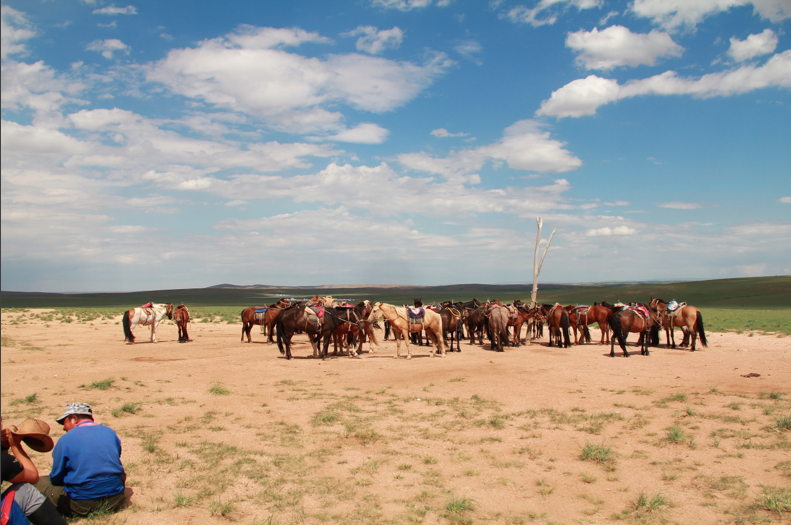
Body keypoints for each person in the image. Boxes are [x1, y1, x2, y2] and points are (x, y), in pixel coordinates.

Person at [34, 403, 126, 518]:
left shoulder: (66, 439)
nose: (63, 427)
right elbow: (116, 457)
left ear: (74, 419)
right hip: (115, 499)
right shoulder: (110, 432)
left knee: (37, 482)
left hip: (81, 504)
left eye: (64, 422)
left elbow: (56, 478)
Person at [1, 417, 67, 525]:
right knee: (26, 491)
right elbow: (33, 476)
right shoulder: (3, 461)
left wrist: (3, 447)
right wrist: (15, 445)